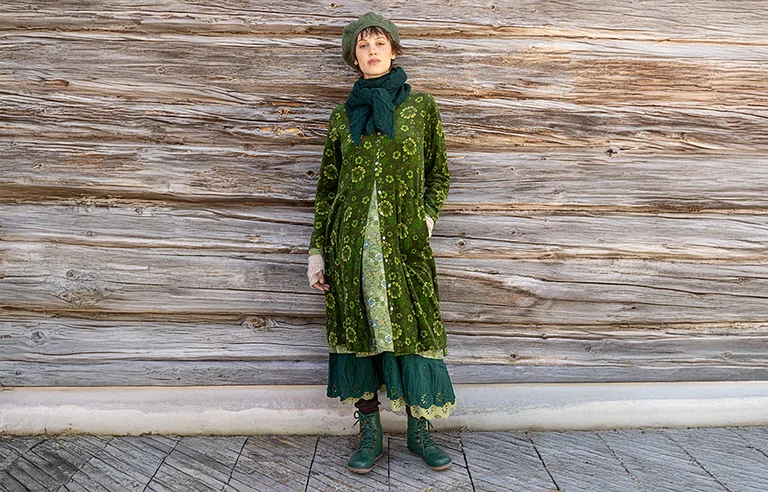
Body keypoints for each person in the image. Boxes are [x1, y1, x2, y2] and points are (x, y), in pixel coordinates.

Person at [307, 11, 455, 474]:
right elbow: (328, 188)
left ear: (393, 50)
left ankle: (419, 430)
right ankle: (369, 434)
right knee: (359, 332)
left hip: (403, 245)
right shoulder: (341, 117)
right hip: (350, 246)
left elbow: (439, 174)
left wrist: (425, 221)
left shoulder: (421, 108)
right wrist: (317, 251)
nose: (372, 52)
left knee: (413, 330)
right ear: (355, 57)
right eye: (363, 46)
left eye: (379, 44)